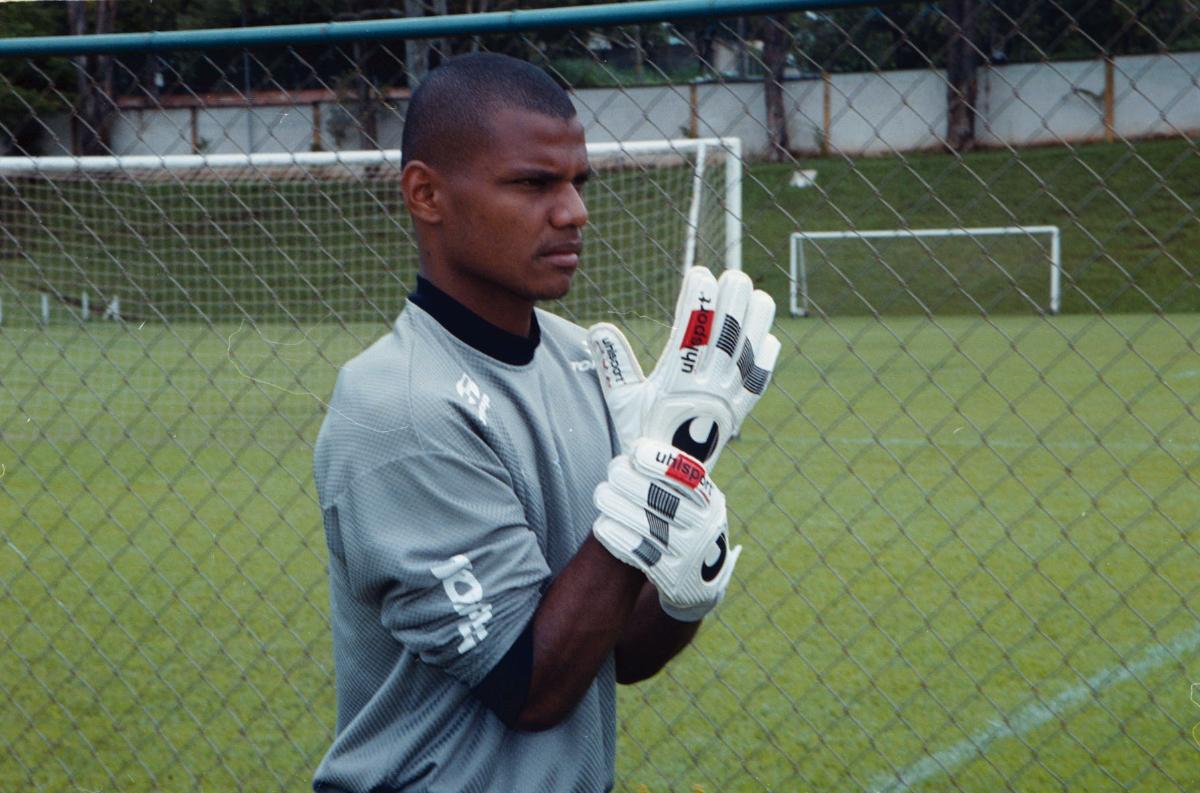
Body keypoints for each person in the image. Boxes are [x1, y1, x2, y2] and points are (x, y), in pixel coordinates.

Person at [310, 53, 718, 792]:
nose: (574, 211)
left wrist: (685, 582)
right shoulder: (399, 406)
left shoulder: (584, 360)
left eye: (578, 182)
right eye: (533, 184)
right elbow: (530, 685)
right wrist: (644, 507)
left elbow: (617, 651)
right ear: (426, 194)